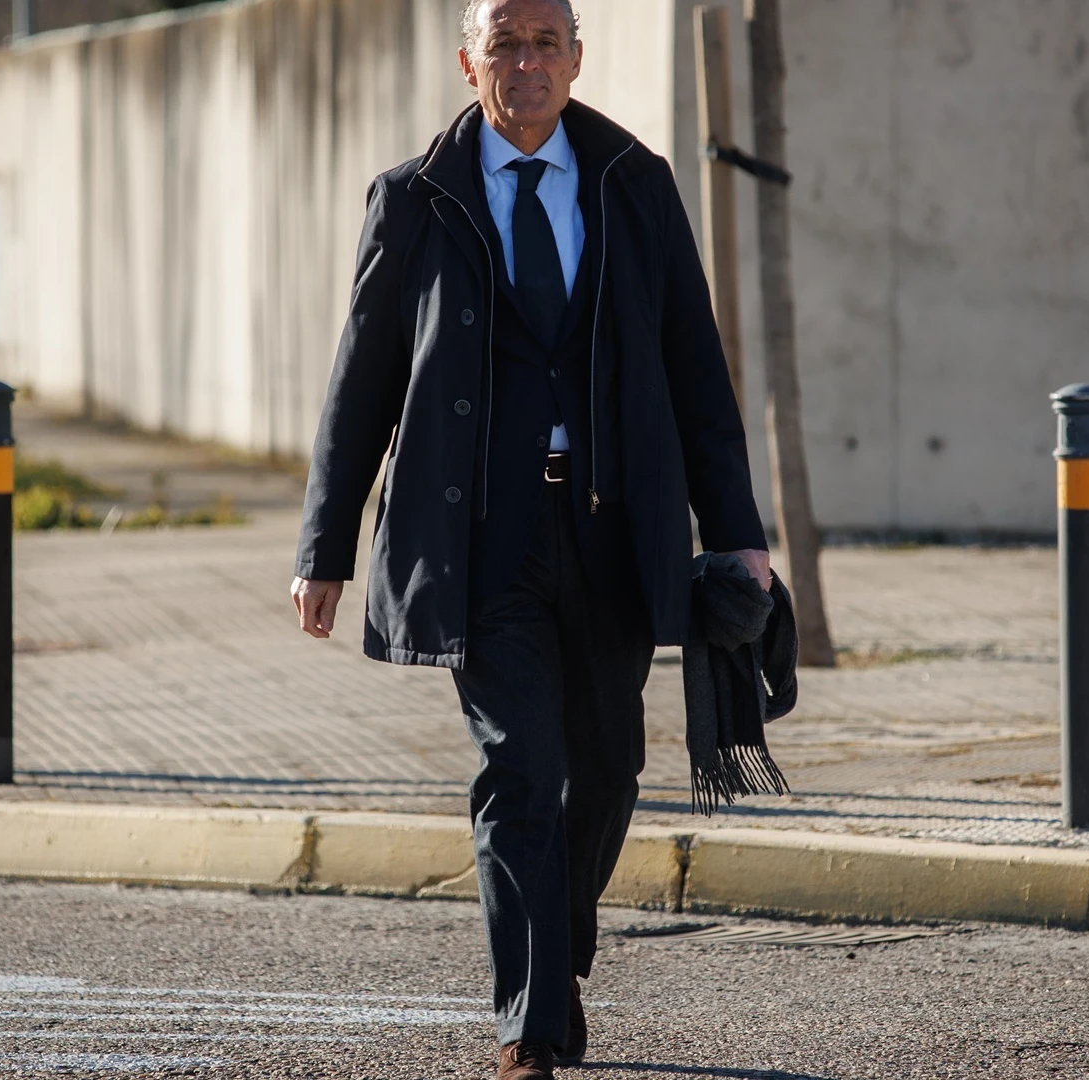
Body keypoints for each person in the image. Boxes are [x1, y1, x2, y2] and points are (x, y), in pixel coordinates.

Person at [290, 1, 769, 1075]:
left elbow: (698, 373)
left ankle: (558, 951)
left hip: (611, 529)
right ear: (469, 64)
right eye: (504, 43)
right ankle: (532, 1027)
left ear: (577, 60)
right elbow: (361, 381)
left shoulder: (635, 186)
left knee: (606, 769)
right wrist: (325, 547)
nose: (526, 62)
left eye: (545, 42)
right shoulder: (413, 202)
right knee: (522, 768)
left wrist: (737, 534)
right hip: (483, 538)